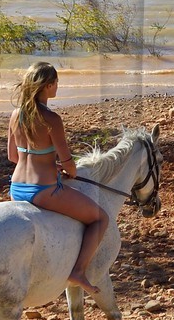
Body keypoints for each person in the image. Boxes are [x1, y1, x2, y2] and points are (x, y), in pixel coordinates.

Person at [7, 60, 108, 295]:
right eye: (56, 83)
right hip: (43, 190)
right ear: (49, 85)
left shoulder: (15, 115)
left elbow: (13, 156)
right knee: (100, 218)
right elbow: (68, 164)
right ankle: (78, 271)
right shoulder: (51, 119)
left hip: (16, 187)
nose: (57, 86)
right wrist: (67, 172)